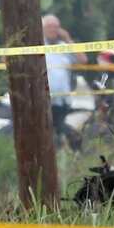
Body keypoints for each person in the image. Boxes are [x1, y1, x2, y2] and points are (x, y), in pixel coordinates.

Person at [42, 14, 86, 142]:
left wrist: (68, 38)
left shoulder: (65, 46)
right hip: (43, 98)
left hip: (62, 100)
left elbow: (83, 60)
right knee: (46, 132)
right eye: (49, 27)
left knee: (59, 131)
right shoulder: (38, 46)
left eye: (55, 27)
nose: (52, 30)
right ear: (43, 29)